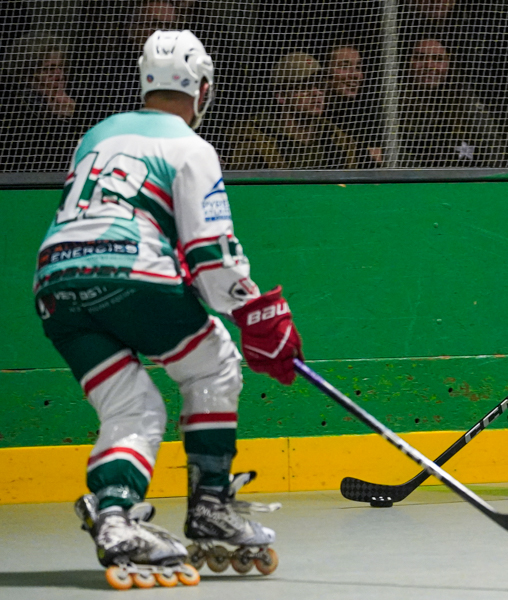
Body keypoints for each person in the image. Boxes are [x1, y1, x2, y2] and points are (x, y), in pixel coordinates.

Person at [33, 30, 301, 587]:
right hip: (132, 276)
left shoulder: (97, 135)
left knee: (132, 409)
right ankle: (210, 506)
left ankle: (114, 516)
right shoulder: (191, 147)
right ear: (202, 89)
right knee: (215, 364)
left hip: (56, 286)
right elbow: (211, 259)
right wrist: (255, 313)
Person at [227, 51, 357, 169]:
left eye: (320, 86)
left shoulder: (337, 140)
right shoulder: (254, 140)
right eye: (305, 86)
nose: (317, 93)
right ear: (281, 96)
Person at [397, 37, 499, 168]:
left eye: (438, 59)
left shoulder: (463, 96)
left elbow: (492, 145)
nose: (429, 66)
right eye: (420, 58)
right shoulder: (392, 99)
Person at [0, 33, 81, 171]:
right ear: (28, 74)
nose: (59, 75)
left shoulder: (74, 100)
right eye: (50, 69)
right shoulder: (14, 108)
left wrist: (74, 115)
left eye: (62, 67)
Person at [323, 42, 384, 168]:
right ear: (326, 73)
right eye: (344, 67)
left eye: (357, 67)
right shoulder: (314, 113)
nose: (355, 75)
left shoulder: (366, 116)